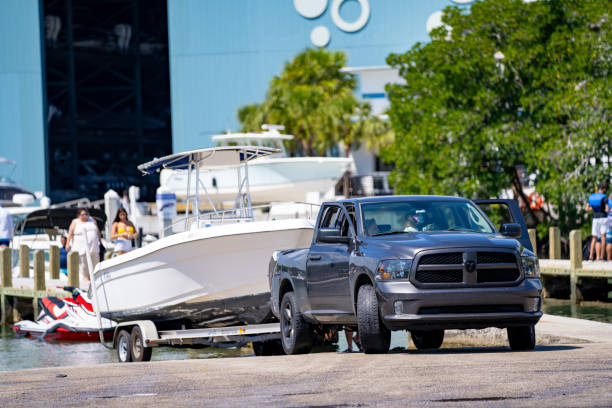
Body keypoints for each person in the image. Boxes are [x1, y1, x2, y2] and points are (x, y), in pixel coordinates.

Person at [66, 208, 101, 284]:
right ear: (79, 215)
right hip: (81, 246)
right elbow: (70, 233)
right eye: (83, 214)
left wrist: (100, 241)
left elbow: (97, 231)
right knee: (83, 264)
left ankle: (94, 278)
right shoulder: (75, 222)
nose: (85, 216)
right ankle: (85, 278)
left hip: (94, 246)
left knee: (95, 262)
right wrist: (67, 244)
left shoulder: (92, 220)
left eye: (86, 214)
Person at [587, 182, 609, 261]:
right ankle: (602, 257)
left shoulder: (592, 196)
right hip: (603, 218)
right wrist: (606, 210)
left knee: (594, 238)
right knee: (603, 238)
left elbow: (587, 208)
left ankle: (591, 257)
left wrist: (594, 209)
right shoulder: (605, 198)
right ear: (604, 189)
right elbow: (607, 209)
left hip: (595, 218)